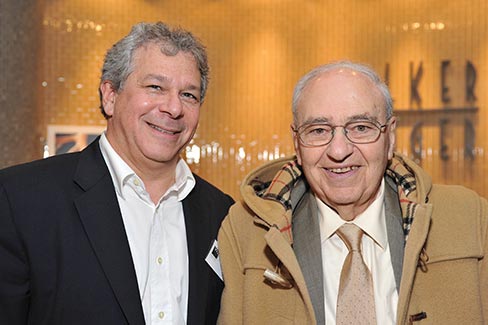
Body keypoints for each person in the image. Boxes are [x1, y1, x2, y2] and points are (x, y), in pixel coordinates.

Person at [217, 61, 488, 324]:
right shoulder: (246, 230)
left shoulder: (468, 217)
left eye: (360, 128)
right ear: (297, 144)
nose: (339, 151)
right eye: (318, 130)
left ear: (390, 137)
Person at [0, 22, 234, 325]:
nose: (174, 108)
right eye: (155, 87)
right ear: (110, 95)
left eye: (189, 95)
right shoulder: (21, 199)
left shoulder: (222, 214)